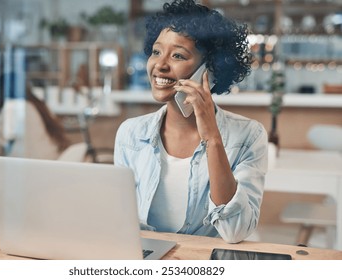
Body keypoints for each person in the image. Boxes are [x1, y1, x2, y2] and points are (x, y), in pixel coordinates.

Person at [114, 0, 268, 244]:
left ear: (211, 70)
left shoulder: (249, 136)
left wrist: (212, 138)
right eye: (156, 51)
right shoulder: (130, 134)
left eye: (177, 55)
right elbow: (120, 221)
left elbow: (235, 231)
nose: (160, 65)